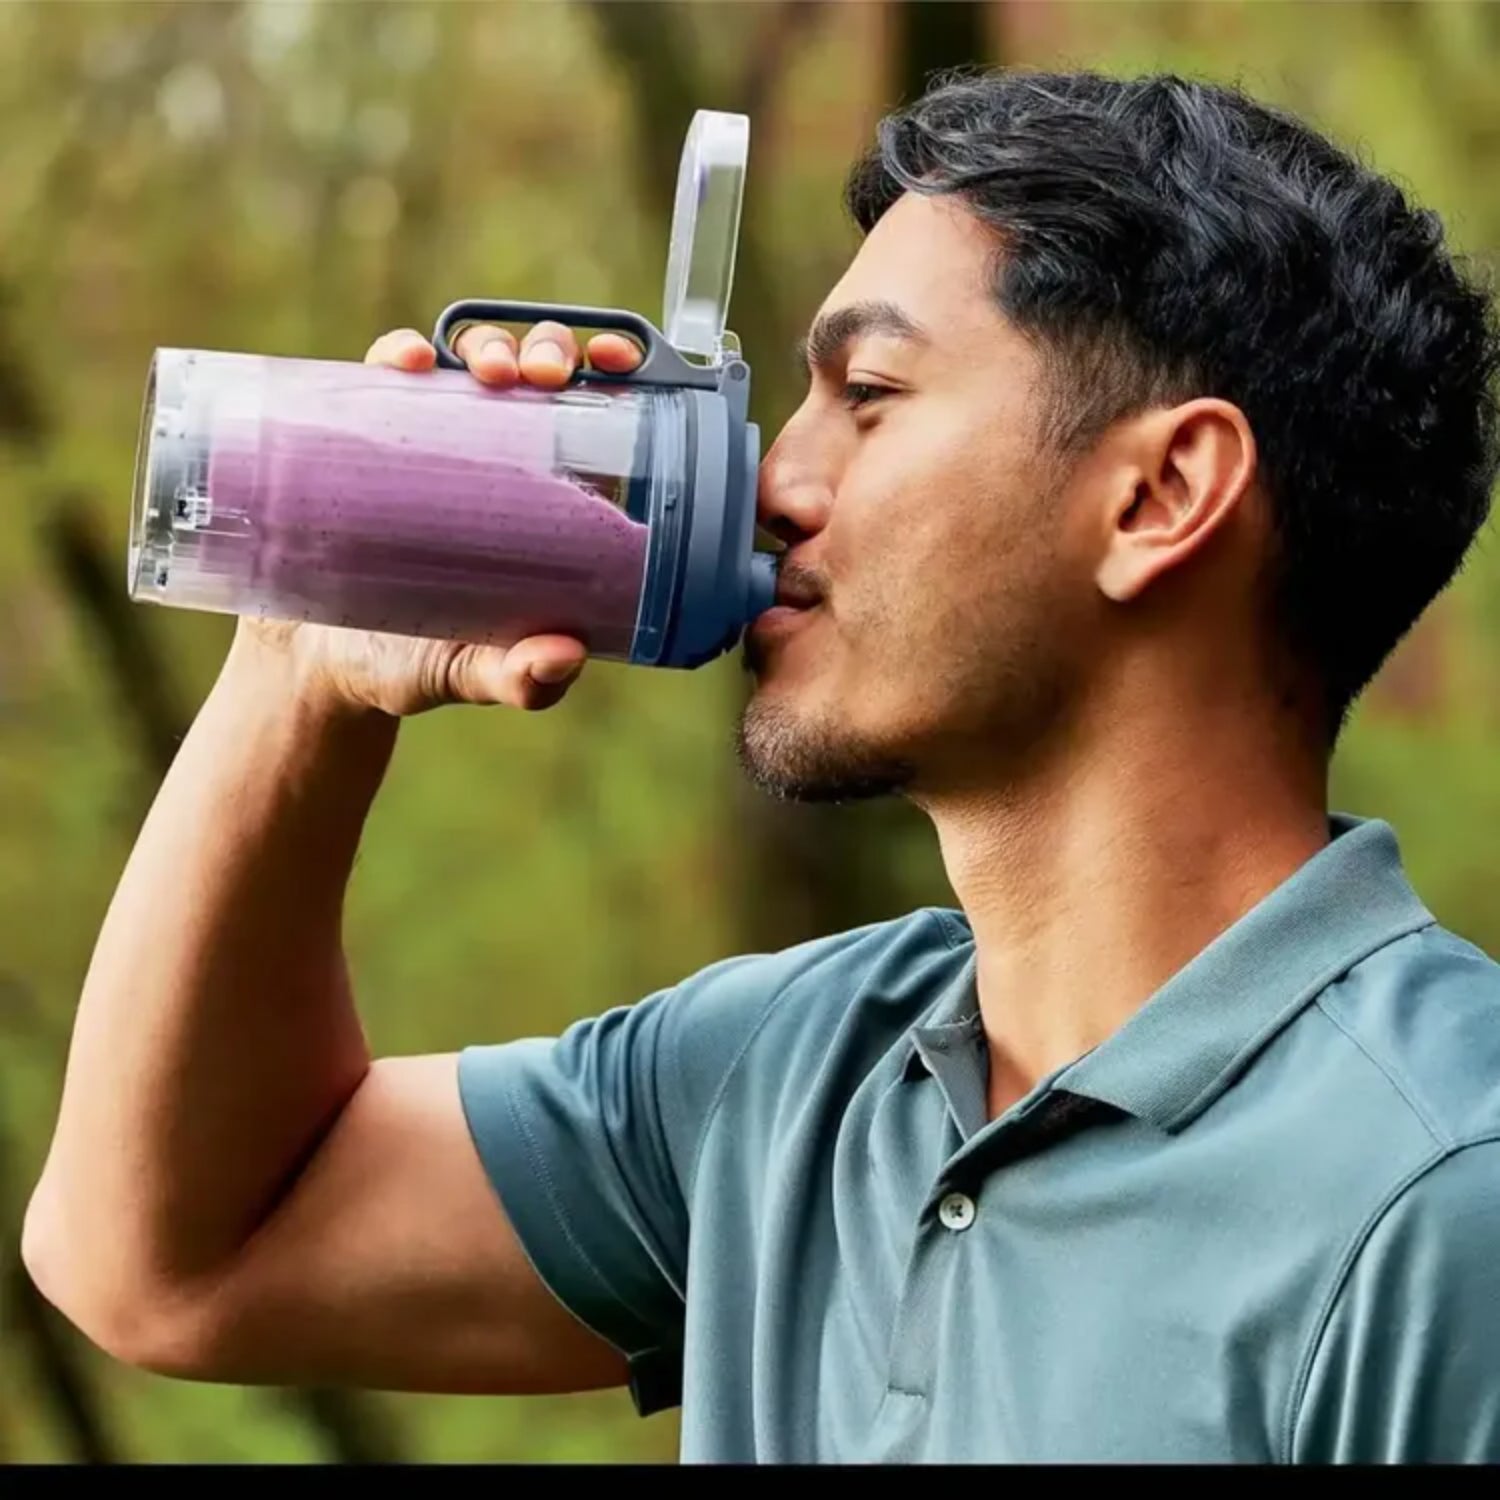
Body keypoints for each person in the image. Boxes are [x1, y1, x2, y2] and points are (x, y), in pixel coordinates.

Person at [21, 68, 1500, 1464]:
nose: (778, 482)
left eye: (867, 395)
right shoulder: (791, 1079)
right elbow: (166, 1262)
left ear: (1161, 494)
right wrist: (306, 667)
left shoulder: (1445, 1194)